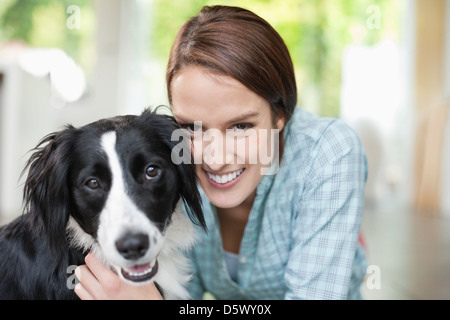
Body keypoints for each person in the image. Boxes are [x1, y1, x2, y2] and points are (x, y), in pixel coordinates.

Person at [75, 5, 368, 300]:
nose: (214, 160)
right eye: (192, 127)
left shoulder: (328, 152)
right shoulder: (170, 166)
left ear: (281, 114)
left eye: (240, 126)